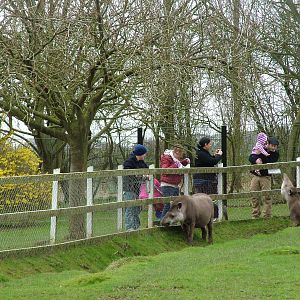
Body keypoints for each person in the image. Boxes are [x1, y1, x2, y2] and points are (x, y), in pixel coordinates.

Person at [249, 136, 279, 219]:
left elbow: (270, 161)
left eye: (275, 146)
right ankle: (255, 215)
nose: (274, 148)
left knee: (267, 196)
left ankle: (267, 215)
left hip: (266, 177)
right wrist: (256, 160)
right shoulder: (260, 149)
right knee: (254, 195)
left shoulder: (275, 154)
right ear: (268, 144)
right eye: (272, 145)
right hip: (255, 176)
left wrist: (260, 158)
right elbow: (251, 157)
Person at [193, 136, 223, 219]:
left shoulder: (202, 153)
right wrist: (219, 156)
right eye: (210, 144)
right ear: (205, 144)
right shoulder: (201, 153)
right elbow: (212, 161)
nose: (210, 145)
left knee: (206, 199)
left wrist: (215, 155)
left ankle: (210, 217)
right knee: (208, 199)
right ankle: (212, 217)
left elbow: (209, 161)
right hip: (204, 180)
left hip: (203, 180)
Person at [160, 144, 190, 219]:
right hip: (167, 185)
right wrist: (176, 165)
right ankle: (163, 222)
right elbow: (165, 170)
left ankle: (171, 221)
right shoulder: (166, 158)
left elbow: (178, 165)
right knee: (168, 204)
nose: (179, 155)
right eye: (177, 153)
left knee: (175, 205)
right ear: (174, 151)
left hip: (175, 185)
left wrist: (184, 162)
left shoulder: (175, 160)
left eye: (180, 153)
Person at [123, 144, 148, 231]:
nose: (145, 155)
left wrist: (145, 175)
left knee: (137, 208)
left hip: (139, 190)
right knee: (130, 208)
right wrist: (140, 176)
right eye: (144, 153)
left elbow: (147, 170)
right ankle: (129, 228)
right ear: (140, 154)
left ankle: (136, 227)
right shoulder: (129, 162)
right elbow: (129, 175)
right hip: (129, 189)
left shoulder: (142, 162)